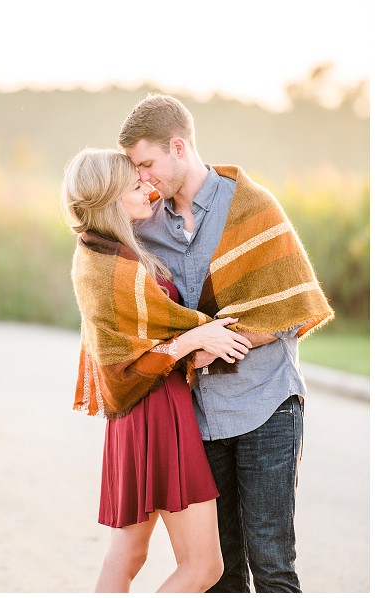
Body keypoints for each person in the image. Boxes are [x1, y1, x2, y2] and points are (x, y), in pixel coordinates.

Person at [117, 93, 334, 592]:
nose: (144, 177)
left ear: (179, 146)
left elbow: (290, 307)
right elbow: (137, 311)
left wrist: (217, 341)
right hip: (197, 419)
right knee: (220, 572)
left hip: (267, 406)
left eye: (147, 164)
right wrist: (187, 345)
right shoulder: (146, 230)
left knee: (273, 561)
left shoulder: (252, 206)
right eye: (136, 169)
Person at [63, 148, 256, 592]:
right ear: (111, 199)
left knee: (128, 554)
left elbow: (149, 333)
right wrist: (193, 339)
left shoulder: (112, 251)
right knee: (204, 567)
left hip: (141, 414)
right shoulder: (105, 263)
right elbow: (123, 359)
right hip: (155, 410)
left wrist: (193, 342)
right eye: (135, 185)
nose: (148, 188)